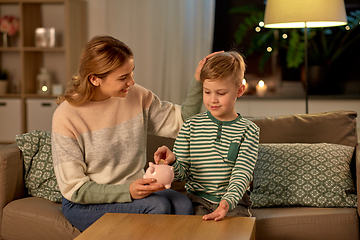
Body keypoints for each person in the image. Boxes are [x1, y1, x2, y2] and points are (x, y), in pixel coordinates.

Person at [51, 35, 219, 231]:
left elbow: (182, 122)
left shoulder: (136, 96)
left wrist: (199, 81)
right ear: (95, 79)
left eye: (131, 73)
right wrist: (127, 191)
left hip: (135, 190)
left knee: (182, 204)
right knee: (158, 206)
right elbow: (75, 189)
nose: (131, 82)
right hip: (84, 203)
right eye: (123, 77)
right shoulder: (67, 116)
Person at [154, 51, 260, 221]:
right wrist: (172, 161)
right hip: (196, 201)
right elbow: (182, 174)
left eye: (221, 93)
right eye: (207, 92)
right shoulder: (190, 126)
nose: (213, 100)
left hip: (234, 203)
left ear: (239, 90)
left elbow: (243, 172)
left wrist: (227, 202)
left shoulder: (249, 131)